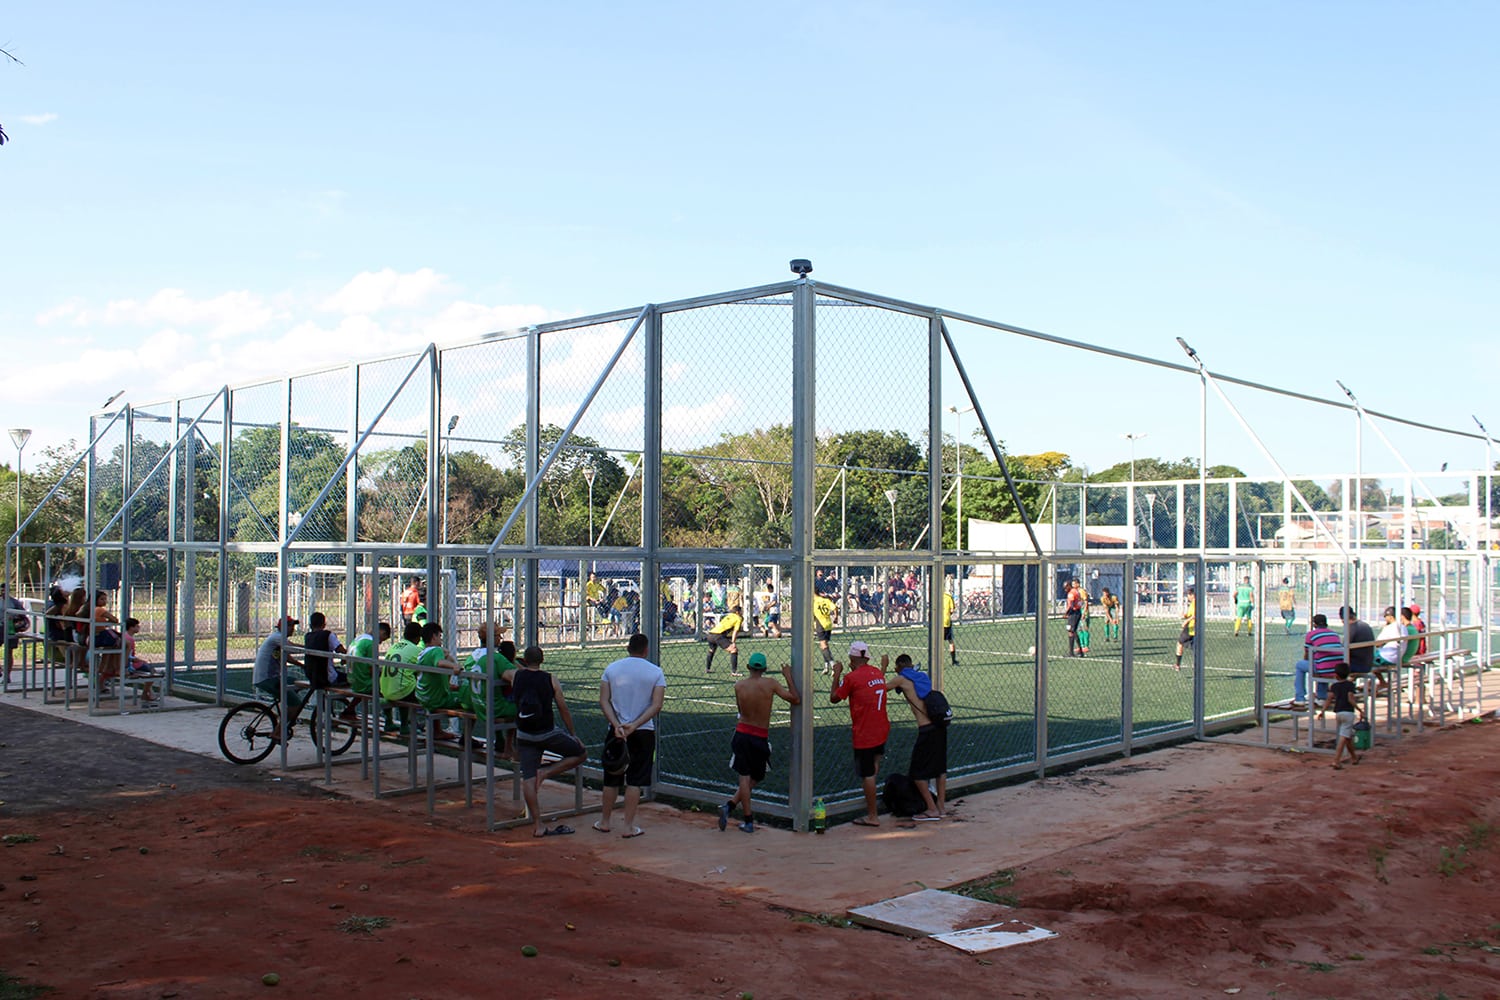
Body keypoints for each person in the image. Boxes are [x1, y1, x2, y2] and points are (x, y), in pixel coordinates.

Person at [507, 645, 586, 838]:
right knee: (580, 753)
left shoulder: (515, 676)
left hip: (524, 734)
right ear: (542, 660)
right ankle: (546, 772)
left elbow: (507, 670)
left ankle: (538, 824)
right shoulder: (550, 679)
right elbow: (563, 708)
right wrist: (573, 733)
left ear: (524, 661)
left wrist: (516, 663)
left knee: (528, 778)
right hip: (547, 733)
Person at [719, 652, 800, 834]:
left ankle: (731, 807)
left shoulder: (739, 686)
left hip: (742, 733)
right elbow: (795, 699)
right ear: (764, 669)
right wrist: (788, 676)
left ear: (748, 667)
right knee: (752, 777)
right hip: (760, 735)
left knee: (747, 777)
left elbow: (741, 710)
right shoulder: (770, 684)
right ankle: (746, 819)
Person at [595, 633, 666, 838]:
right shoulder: (655, 672)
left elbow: (604, 700)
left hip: (616, 731)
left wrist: (617, 724)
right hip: (643, 731)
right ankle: (628, 826)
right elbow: (657, 704)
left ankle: (605, 821)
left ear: (628, 647)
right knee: (635, 780)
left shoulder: (612, 669)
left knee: (611, 777)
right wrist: (634, 724)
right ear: (646, 650)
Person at [831, 640, 890, 828]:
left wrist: (836, 674)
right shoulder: (877, 673)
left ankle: (872, 815)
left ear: (852, 658)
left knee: (868, 775)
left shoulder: (851, 678)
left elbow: (834, 698)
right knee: (874, 766)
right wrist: (883, 667)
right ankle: (871, 800)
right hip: (881, 729)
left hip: (865, 732)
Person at [888, 654, 947, 820]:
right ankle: (941, 807)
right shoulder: (921, 676)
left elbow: (880, 688)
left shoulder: (900, 679)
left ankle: (931, 809)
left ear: (898, 666)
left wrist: (884, 669)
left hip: (926, 729)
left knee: (917, 772)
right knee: (939, 768)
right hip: (939, 726)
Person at [459, 627, 517, 759]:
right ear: (492, 638)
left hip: (468, 697)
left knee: (490, 693)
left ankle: (467, 735)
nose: (500, 639)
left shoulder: (472, 655)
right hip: (482, 701)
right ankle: (508, 745)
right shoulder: (493, 657)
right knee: (506, 697)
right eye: (498, 635)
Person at [251, 616, 306, 742]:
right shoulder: (277, 637)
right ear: (281, 627)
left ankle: (287, 715)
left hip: (270, 678)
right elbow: (292, 648)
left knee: (297, 684)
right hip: (269, 679)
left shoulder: (278, 639)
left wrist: (302, 666)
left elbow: (287, 657)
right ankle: (278, 732)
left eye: (293, 626)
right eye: (290, 626)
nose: (293, 629)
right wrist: (311, 648)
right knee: (296, 704)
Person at [414, 622, 465, 741]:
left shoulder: (422, 653)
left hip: (422, 696)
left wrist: (446, 655)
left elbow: (443, 657)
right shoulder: (435, 651)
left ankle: (437, 731)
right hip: (435, 699)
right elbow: (439, 662)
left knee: (445, 692)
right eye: (439, 636)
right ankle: (467, 737)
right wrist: (454, 666)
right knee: (469, 700)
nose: (441, 639)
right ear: (434, 637)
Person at [343, 622, 391, 724]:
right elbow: (372, 669)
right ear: (381, 632)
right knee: (389, 689)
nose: (381, 642)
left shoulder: (359, 639)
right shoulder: (371, 643)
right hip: (363, 681)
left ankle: (350, 709)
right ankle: (390, 722)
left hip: (352, 678)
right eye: (383, 638)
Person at [1293, 613, 1345, 707]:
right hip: (1337, 668)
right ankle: (1321, 697)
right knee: (1321, 662)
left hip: (1323, 669)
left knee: (1300, 665)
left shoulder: (1311, 634)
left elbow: (1307, 652)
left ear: (1314, 624)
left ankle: (1299, 698)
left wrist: (1308, 662)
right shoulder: (1334, 634)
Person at [1323, 662, 1363, 769]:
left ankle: (1354, 757)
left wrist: (1323, 711)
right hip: (1348, 713)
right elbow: (1350, 699)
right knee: (1343, 737)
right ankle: (1336, 760)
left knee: (1347, 736)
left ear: (1336, 675)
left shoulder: (1334, 686)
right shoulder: (1350, 685)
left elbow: (1329, 699)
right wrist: (1359, 709)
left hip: (1338, 713)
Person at [302, 611, 347, 690]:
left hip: (313, 677)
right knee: (354, 680)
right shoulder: (327, 635)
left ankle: (349, 702)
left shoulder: (308, 637)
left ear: (310, 625)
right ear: (324, 624)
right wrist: (345, 657)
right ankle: (351, 702)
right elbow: (341, 650)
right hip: (328, 678)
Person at [122, 617, 160, 706]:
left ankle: (147, 693)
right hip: (130, 665)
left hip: (127, 663)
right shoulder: (129, 639)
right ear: (131, 627)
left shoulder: (124, 636)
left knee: (148, 668)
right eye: (137, 626)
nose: (138, 628)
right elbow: (129, 656)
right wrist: (141, 661)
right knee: (152, 672)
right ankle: (146, 693)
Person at [704, 604, 742, 676]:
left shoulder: (728, 616)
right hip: (718, 635)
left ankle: (707, 669)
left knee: (712, 650)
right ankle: (734, 672)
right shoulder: (738, 618)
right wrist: (733, 642)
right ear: (737, 612)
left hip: (711, 634)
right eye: (741, 611)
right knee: (734, 650)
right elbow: (735, 631)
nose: (742, 613)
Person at [1340, 606, 1375, 683]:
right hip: (1368, 664)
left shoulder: (1351, 628)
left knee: (1330, 666)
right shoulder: (1365, 625)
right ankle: (1348, 688)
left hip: (1357, 665)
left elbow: (1343, 648)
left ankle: (1332, 691)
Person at [812, 590, 839, 672]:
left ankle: (833, 665)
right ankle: (826, 666)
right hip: (828, 624)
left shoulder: (814, 603)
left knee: (823, 646)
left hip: (820, 625)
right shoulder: (826, 600)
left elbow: (813, 616)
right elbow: (835, 608)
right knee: (824, 646)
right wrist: (836, 617)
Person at [1174, 588, 1196, 670]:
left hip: (1190, 627)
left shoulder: (1195, 603)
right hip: (1193, 628)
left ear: (1192, 595)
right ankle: (1196, 666)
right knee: (1194, 648)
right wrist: (1185, 615)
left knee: (1180, 643)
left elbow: (1194, 615)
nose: (1188, 597)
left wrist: (1186, 621)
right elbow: (1192, 614)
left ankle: (1177, 665)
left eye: (1188, 595)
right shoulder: (1194, 603)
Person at [1064, 579, 1085, 658]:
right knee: (1073, 631)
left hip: (1073, 613)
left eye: (1066, 587)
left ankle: (1071, 652)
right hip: (1078, 612)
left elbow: (1071, 605)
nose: (1065, 589)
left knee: (1070, 630)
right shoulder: (1076, 591)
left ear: (1069, 586)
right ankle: (1080, 651)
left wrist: (1066, 613)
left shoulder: (1071, 593)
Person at [584, 572, 606, 637]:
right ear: (590, 578)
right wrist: (593, 600)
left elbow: (604, 590)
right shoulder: (588, 585)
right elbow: (586, 595)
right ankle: (601, 619)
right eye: (592, 577)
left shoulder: (597, 584)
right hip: (589, 600)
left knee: (605, 606)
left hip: (597, 600)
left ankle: (604, 618)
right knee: (597, 605)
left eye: (595, 577)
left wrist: (602, 598)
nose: (594, 578)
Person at [942, 588, 958, 665]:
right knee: (950, 641)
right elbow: (952, 610)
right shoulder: (948, 597)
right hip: (946, 621)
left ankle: (937, 660)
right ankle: (953, 660)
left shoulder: (935, 597)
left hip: (937, 621)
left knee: (937, 642)